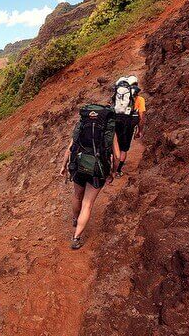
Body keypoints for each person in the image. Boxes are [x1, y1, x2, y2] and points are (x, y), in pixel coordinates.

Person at [60, 104, 120, 250]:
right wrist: (112, 172)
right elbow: (117, 155)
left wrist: (63, 166)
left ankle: (75, 219)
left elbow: (70, 148)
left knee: (77, 196)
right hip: (98, 170)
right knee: (87, 203)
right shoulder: (109, 130)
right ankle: (76, 238)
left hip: (79, 165)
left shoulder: (81, 125)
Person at [111, 75, 146, 177]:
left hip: (115, 121)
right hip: (128, 124)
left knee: (113, 145)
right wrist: (139, 130)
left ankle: (107, 168)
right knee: (123, 148)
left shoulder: (117, 96)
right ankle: (117, 171)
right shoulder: (140, 99)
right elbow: (141, 116)